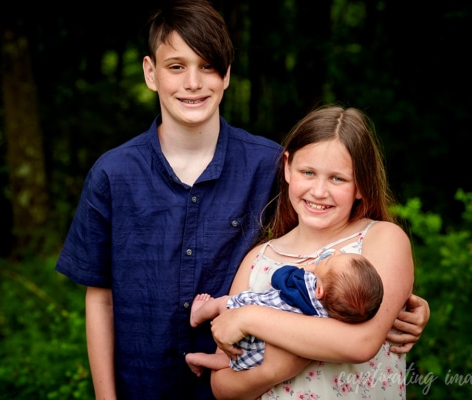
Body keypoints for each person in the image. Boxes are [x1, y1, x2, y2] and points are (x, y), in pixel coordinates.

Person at [54, 0, 430, 398]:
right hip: (144, 383)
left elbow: (321, 239)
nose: (193, 82)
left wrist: (396, 304)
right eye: (177, 66)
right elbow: (101, 300)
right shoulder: (112, 174)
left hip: (237, 380)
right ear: (151, 72)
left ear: (227, 74)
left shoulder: (268, 165)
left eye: (208, 66)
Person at [209, 105, 424, 399]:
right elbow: (221, 386)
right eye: (308, 172)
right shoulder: (259, 260)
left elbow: (360, 343)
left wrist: (248, 318)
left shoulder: (380, 239)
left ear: (361, 184)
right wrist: (272, 372)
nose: (319, 191)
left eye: (337, 178)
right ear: (287, 167)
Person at [186, 249, 384, 376]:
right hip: (261, 351)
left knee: (222, 304)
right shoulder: (332, 318)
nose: (336, 252)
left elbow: (278, 277)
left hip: (244, 318)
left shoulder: (306, 283)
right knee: (231, 361)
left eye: (331, 261)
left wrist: (307, 268)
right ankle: (198, 359)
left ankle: (198, 315)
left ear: (320, 291)